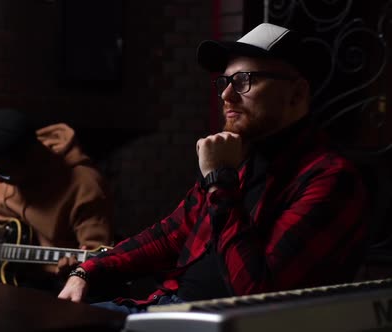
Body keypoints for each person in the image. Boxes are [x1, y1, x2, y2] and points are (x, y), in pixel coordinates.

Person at [58, 23, 368, 313]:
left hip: (217, 322)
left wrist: (219, 181)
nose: (226, 95)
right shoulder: (241, 158)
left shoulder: (329, 178)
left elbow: (258, 296)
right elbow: (170, 234)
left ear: (297, 93)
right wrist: (88, 269)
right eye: (225, 81)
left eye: (245, 81)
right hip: (166, 307)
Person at [0, 108, 113, 291]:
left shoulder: (85, 186)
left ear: (32, 158)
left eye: (4, 173)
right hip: (0, 283)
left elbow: (98, 263)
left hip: (52, 290)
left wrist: (76, 271)